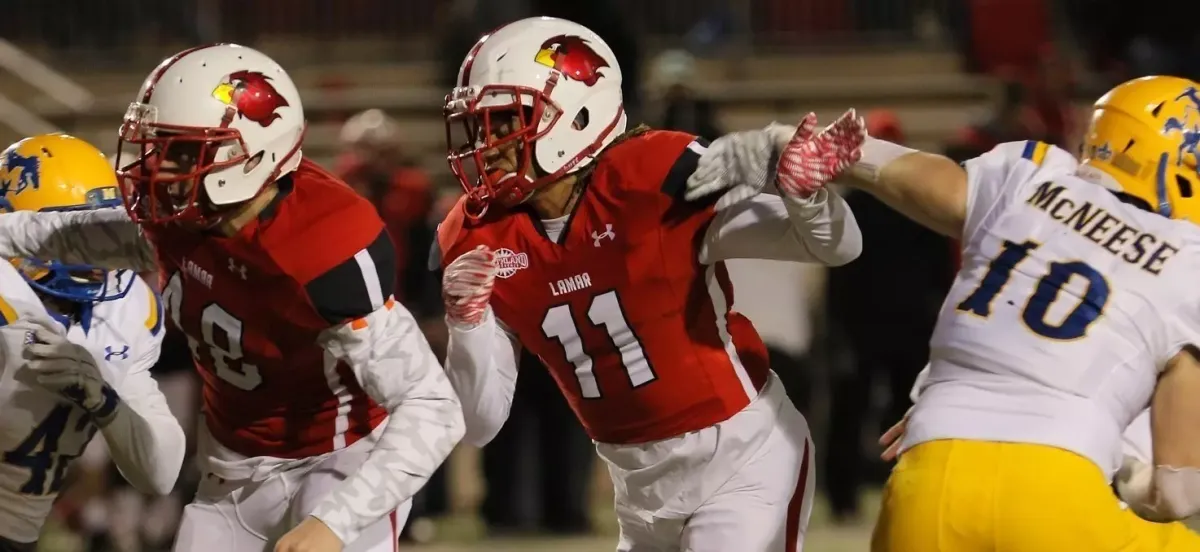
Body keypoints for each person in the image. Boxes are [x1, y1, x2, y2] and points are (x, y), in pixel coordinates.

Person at [0, 44, 464, 552]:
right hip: (232, 468)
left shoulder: (322, 246)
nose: (156, 165)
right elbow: (55, 235)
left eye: (180, 149)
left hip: (338, 458)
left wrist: (334, 521)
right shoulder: (179, 220)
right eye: (156, 145)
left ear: (251, 154)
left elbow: (433, 407)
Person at [435, 17, 864, 551]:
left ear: (574, 115)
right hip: (636, 492)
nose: (488, 145)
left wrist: (806, 196)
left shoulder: (651, 178)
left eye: (506, 122)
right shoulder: (478, 235)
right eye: (480, 126)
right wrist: (467, 322)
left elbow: (836, 246)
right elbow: (480, 424)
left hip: (742, 461)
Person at [808, 75, 1200, 550]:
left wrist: (844, 149)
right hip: (1056, 497)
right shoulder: (1185, 258)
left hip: (928, 478)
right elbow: (1180, 489)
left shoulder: (1035, 175)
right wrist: (1134, 476)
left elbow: (937, 185)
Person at [0, 134, 185, 552]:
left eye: (100, 226)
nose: (96, 254)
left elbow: (161, 471)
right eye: (69, 231)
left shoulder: (127, 309)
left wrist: (104, 399)